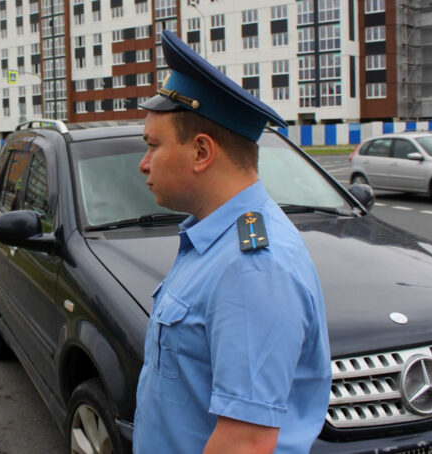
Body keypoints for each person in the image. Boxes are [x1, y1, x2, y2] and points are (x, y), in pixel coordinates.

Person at [133, 30, 331, 453]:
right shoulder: (217, 239)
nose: (143, 164)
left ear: (202, 152)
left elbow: (245, 444)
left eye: (153, 146)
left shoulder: (252, 266)